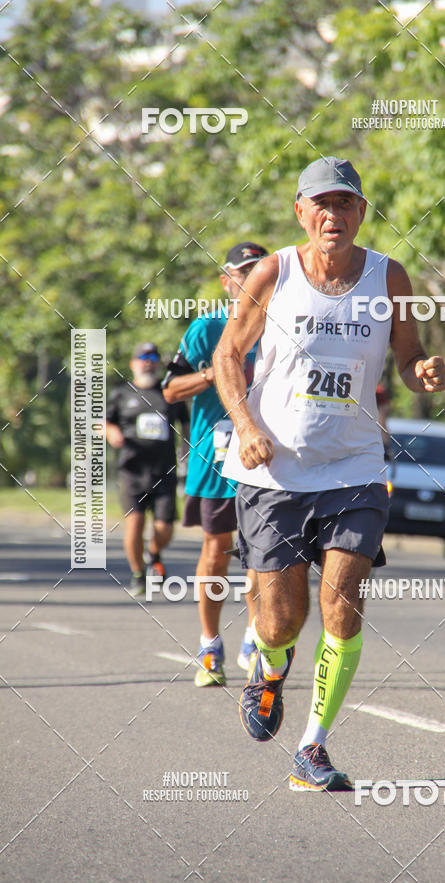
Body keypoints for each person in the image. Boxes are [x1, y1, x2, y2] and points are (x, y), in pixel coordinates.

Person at [213, 156, 445, 791]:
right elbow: (227, 355)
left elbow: (407, 356)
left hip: (355, 466)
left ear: (361, 213)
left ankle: (311, 749)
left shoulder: (387, 276)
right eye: (320, 203)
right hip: (275, 473)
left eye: (344, 203)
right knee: (280, 621)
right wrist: (246, 426)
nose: (332, 214)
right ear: (300, 212)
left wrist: (422, 373)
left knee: (343, 606)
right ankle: (269, 664)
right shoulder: (276, 272)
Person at [162, 242, 268, 686]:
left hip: (265, 458)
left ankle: (254, 634)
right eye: (242, 272)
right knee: (216, 550)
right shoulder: (205, 329)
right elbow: (169, 389)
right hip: (216, 457)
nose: (250, 278)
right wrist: (213, 374)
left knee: (264, 557)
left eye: (258, 270)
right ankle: (209, 644)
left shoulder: (284, 327)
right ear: (227, 282)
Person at [106, 342, 189, 596]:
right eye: (142, 357)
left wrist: (187, 453)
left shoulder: (168, 394)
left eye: (153, 357)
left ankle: (153, 553)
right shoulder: (121, 394)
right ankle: (138, 574)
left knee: (165, 528)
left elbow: (186, 426)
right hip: (132, 471)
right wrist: (112, 433)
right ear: (133, 363)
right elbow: (105, 423)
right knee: (135, 525)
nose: (148, 362)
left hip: (164, 471)